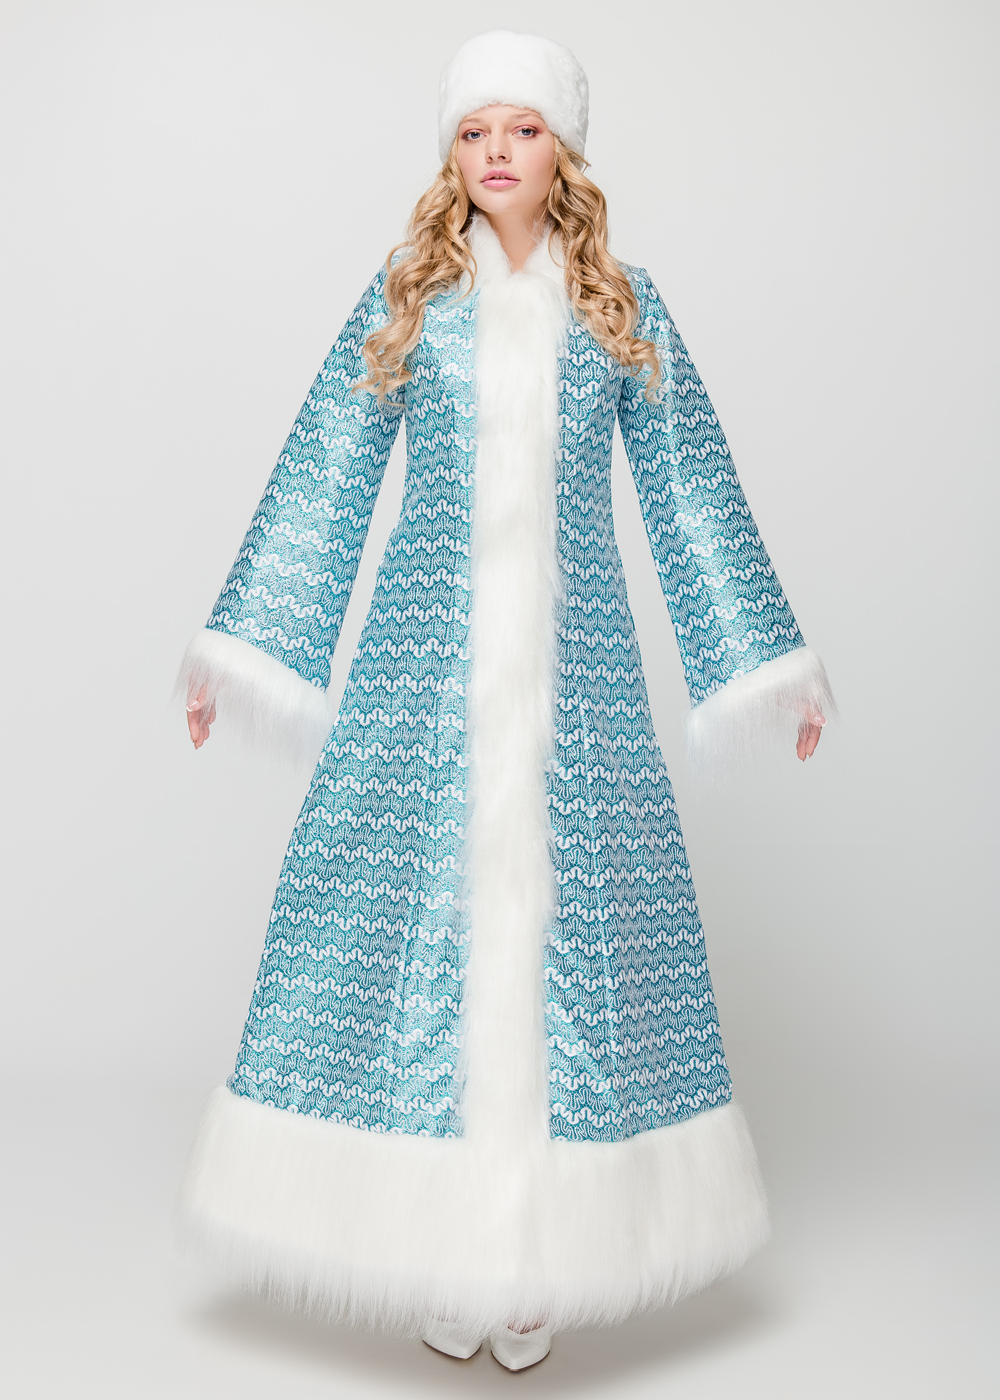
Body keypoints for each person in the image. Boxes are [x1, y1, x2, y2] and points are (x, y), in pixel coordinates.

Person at [178, 29, 832, 1372]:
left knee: (573, 947)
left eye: (522, 128)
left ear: (563, 151)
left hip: (578, 687)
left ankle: (535, 1260)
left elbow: (692, 492)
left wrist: (765, 667)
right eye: (473, 130)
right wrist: (247, 648)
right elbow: (326, 468)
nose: (494, 151)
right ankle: (443, 1247)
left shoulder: (622, 310)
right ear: (450, 153)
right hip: (419, 683)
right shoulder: (411, 299)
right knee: (411, 937)